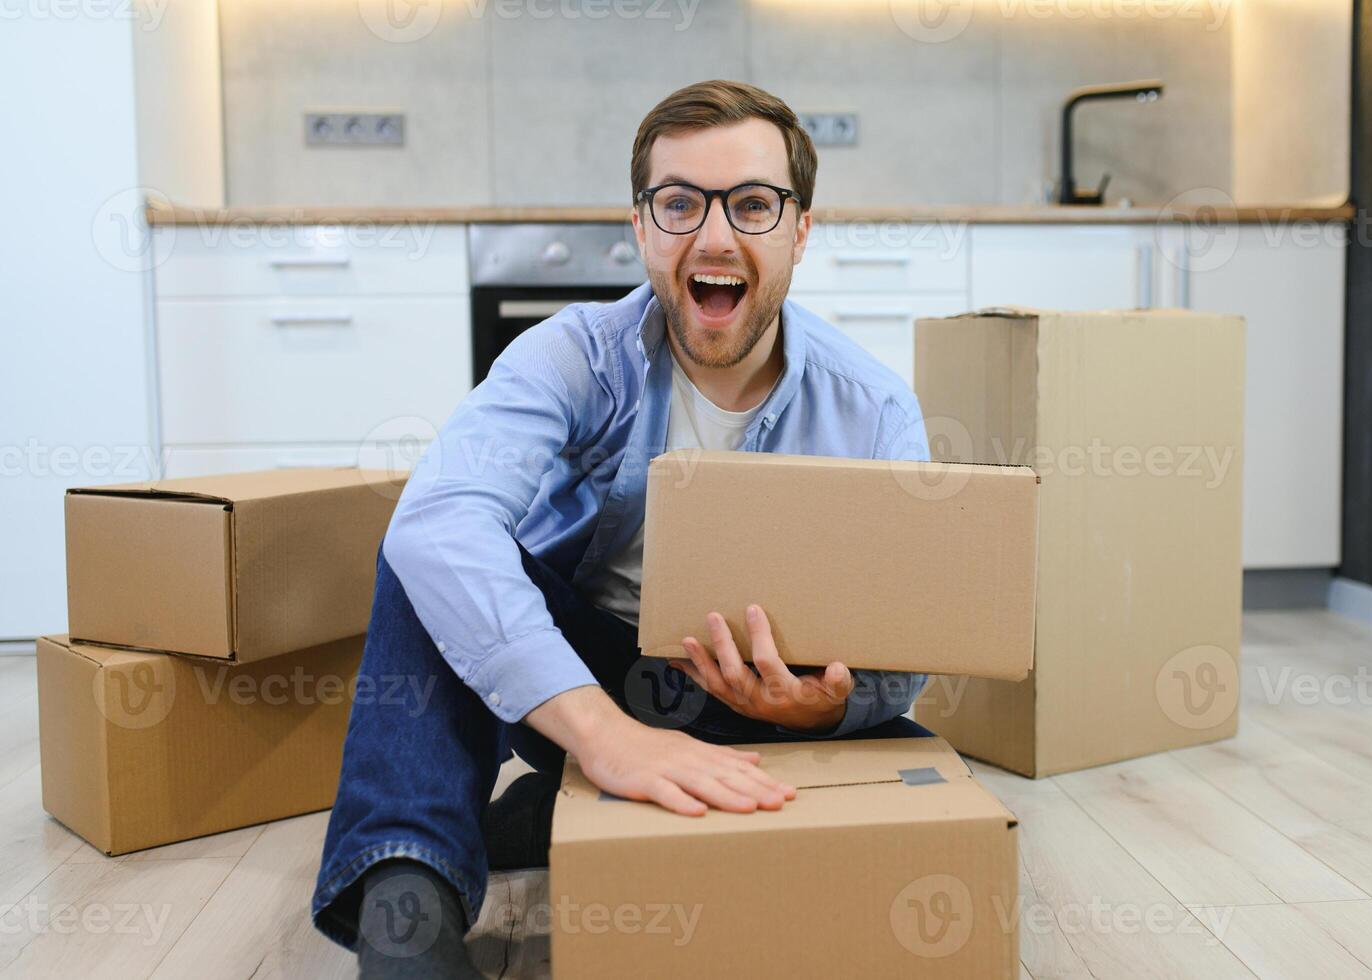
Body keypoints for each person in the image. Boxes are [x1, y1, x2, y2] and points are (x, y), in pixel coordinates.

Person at [312, 79, 933, 979]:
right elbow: (439, 523)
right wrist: (605, 734)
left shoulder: (874, 409)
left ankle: (555, 809)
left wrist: (831, 704)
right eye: (679, 203)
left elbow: (907, 648)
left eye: (752, 205)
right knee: (427, 544)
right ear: (641, 226)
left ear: (799, 231)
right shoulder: (574, 355)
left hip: (764, 709)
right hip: (586, 684)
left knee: (915, 778)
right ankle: (408, 911)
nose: (713, 236)